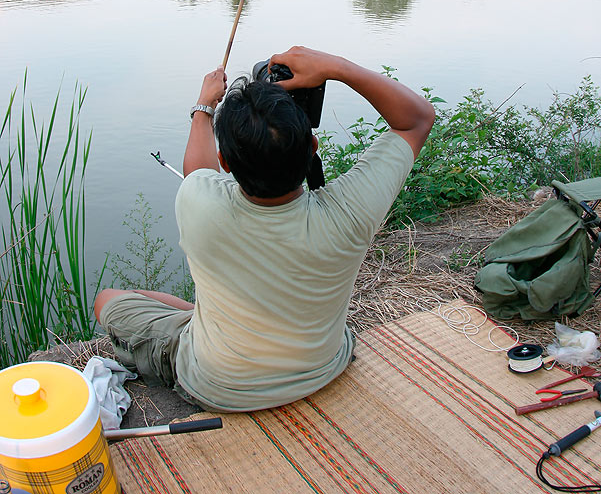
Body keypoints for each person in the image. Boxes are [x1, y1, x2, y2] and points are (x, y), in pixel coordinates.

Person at [95, 46, 435, 412]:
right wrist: (337, 68)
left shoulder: (199, 203)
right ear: (313, 147)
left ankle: (208, 324)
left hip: (216, 386)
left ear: (225, 161)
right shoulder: (348, 213)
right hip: (323, 369)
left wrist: (204, 106)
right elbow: (417, 119)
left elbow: (198, 169)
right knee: (194, 313)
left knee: (107, 300)